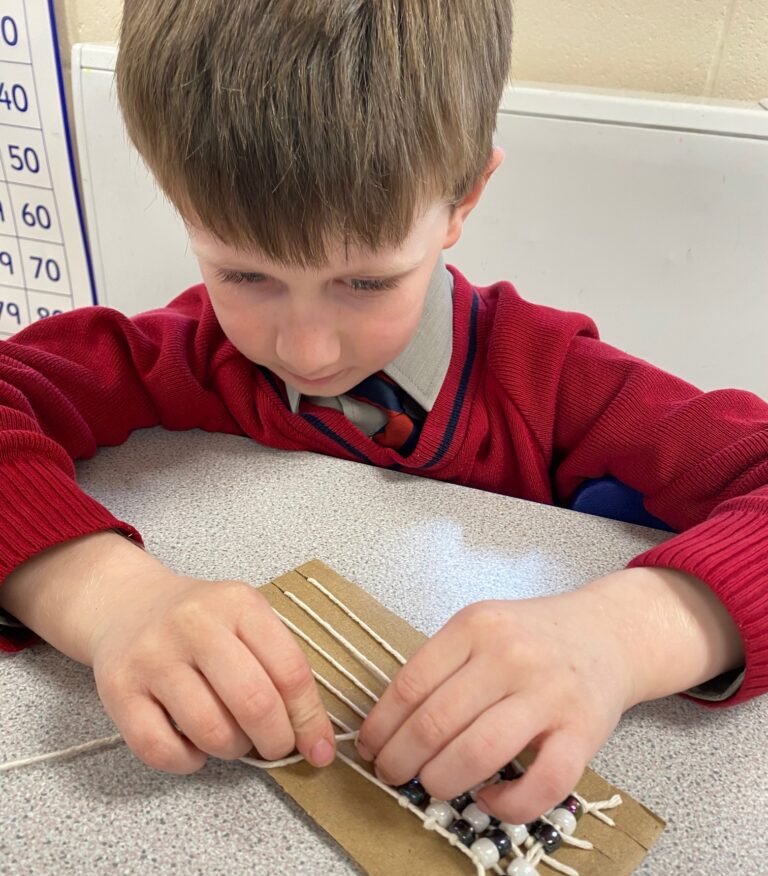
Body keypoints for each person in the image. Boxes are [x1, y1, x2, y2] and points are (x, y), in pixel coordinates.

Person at [0, 0, 764, 823]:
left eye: (365, 283)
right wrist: (107, 598)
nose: (307, 350)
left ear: (463, 202)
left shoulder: (554, 381)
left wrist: (621, 638)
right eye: (243, 275)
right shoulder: (187, 354)